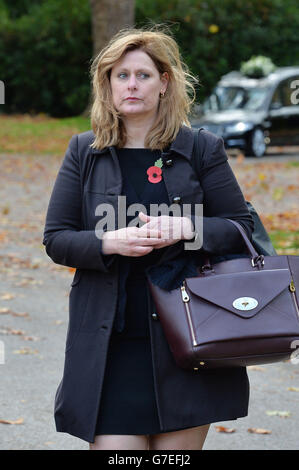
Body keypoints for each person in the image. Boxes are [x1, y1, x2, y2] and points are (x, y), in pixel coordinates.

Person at [43, 26, 254, 450]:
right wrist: (108, 243)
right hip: (110, 344)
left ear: (165, 83)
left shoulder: (201, 149)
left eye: (143, 74)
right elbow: (57, 238)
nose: (132, 84)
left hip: (189, 340)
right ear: (107, 85)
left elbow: (240, 228)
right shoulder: (85, 151)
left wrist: (189, 228)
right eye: (121, 76)